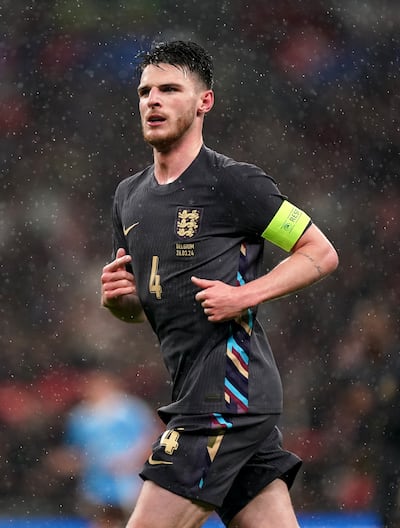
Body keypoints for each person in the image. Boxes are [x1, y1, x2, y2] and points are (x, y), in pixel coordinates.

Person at [100, 40, 339, 528]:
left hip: (228, 394)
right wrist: (120, 303)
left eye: (170, 89)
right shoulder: (129, 197)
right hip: (198, 389)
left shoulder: (235, 183)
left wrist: (246, 294)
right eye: (145, 91)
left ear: (203, 102)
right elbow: (142, 304)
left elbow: (320, 252)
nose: (153, 101)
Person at [56, 369, 158, 527]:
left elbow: (151, 439)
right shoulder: (79, 416)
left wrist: (132, 462)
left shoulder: (130, 410)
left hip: (128, 478)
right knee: (101, 519)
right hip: (96, 479)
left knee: (136, 518)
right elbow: (75, 450)